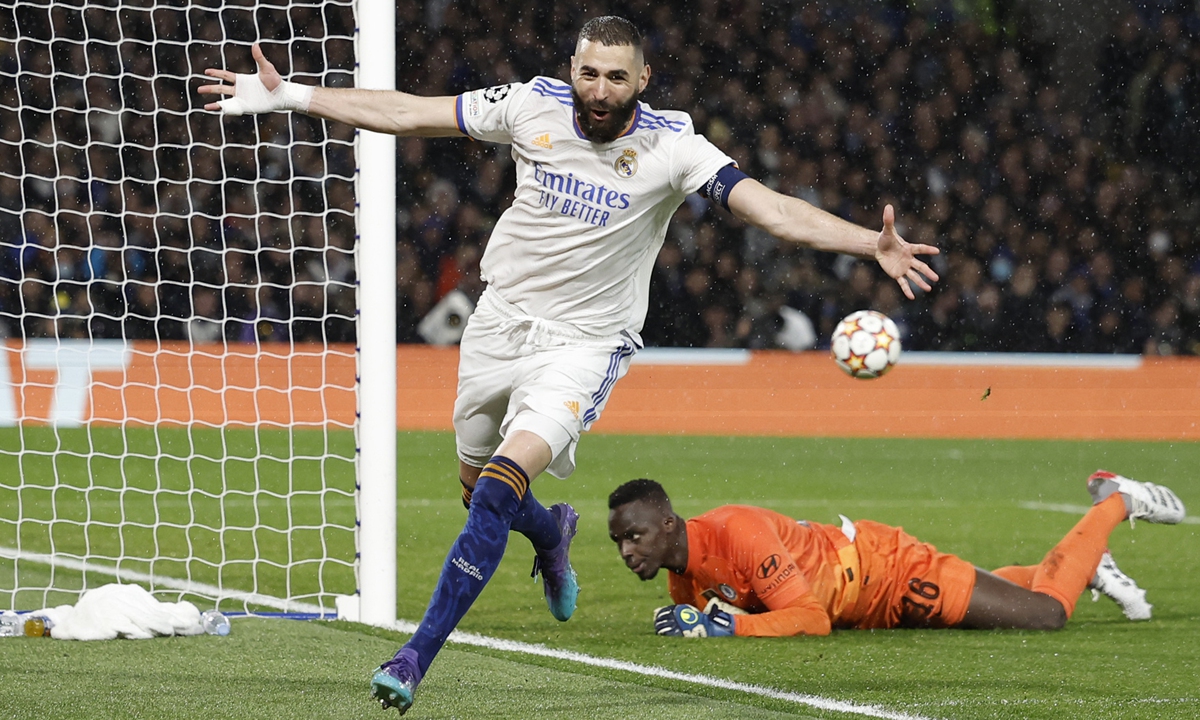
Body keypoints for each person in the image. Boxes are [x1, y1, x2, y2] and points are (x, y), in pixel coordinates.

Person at [198, 16, 941, 713]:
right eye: (589, 73)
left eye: (616, 77)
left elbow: (771, 209)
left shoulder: (675, 148)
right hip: (497, 327)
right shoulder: (530, 106)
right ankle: (551, 533)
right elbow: (408, 111)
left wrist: (865, 244)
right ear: (572, 70)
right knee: (475, 491)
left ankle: (414, 657)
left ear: (644, 79)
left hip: (582, 348)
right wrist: (291, 94)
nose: (599, 91)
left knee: (494, 491)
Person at [607, 471, 1185, 638]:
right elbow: (735, 608)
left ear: (667, 523)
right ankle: (1087, 567)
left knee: (1044, 614)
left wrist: (731, 632)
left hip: (891, 573)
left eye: (634, 536)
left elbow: (811, 619)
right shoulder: (682, 575)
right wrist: (707, 622)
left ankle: (1114, 501)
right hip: (870, 602)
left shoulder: (737, 531)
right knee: (1005, 593)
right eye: (619, 542)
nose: (627, 550)